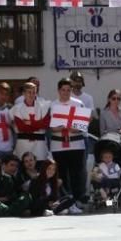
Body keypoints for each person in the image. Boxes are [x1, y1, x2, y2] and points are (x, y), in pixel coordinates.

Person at [49, 79, 87, 211]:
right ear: (59, 90)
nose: (65, 92)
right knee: (62, 175)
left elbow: (82, 125)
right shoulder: (52, 105)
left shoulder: (78, 104)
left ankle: (78, 200)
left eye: (68, 90)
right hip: (58, 145)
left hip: (76, 144)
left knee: (77, 174)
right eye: (63, 90)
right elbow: (52, 127)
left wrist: (68, 127)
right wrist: (63, 127)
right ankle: (65, 202)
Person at [11, 82, 51, 161]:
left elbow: (46, 124)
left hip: (39, 145)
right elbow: (21, 127)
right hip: (23, 143)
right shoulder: (17, 108)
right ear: (24, 93)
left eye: (34, 92)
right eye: (29, 92)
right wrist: (38, 124)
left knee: (40, 167)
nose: (32, 95)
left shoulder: (43, 107)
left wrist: (30, 123)